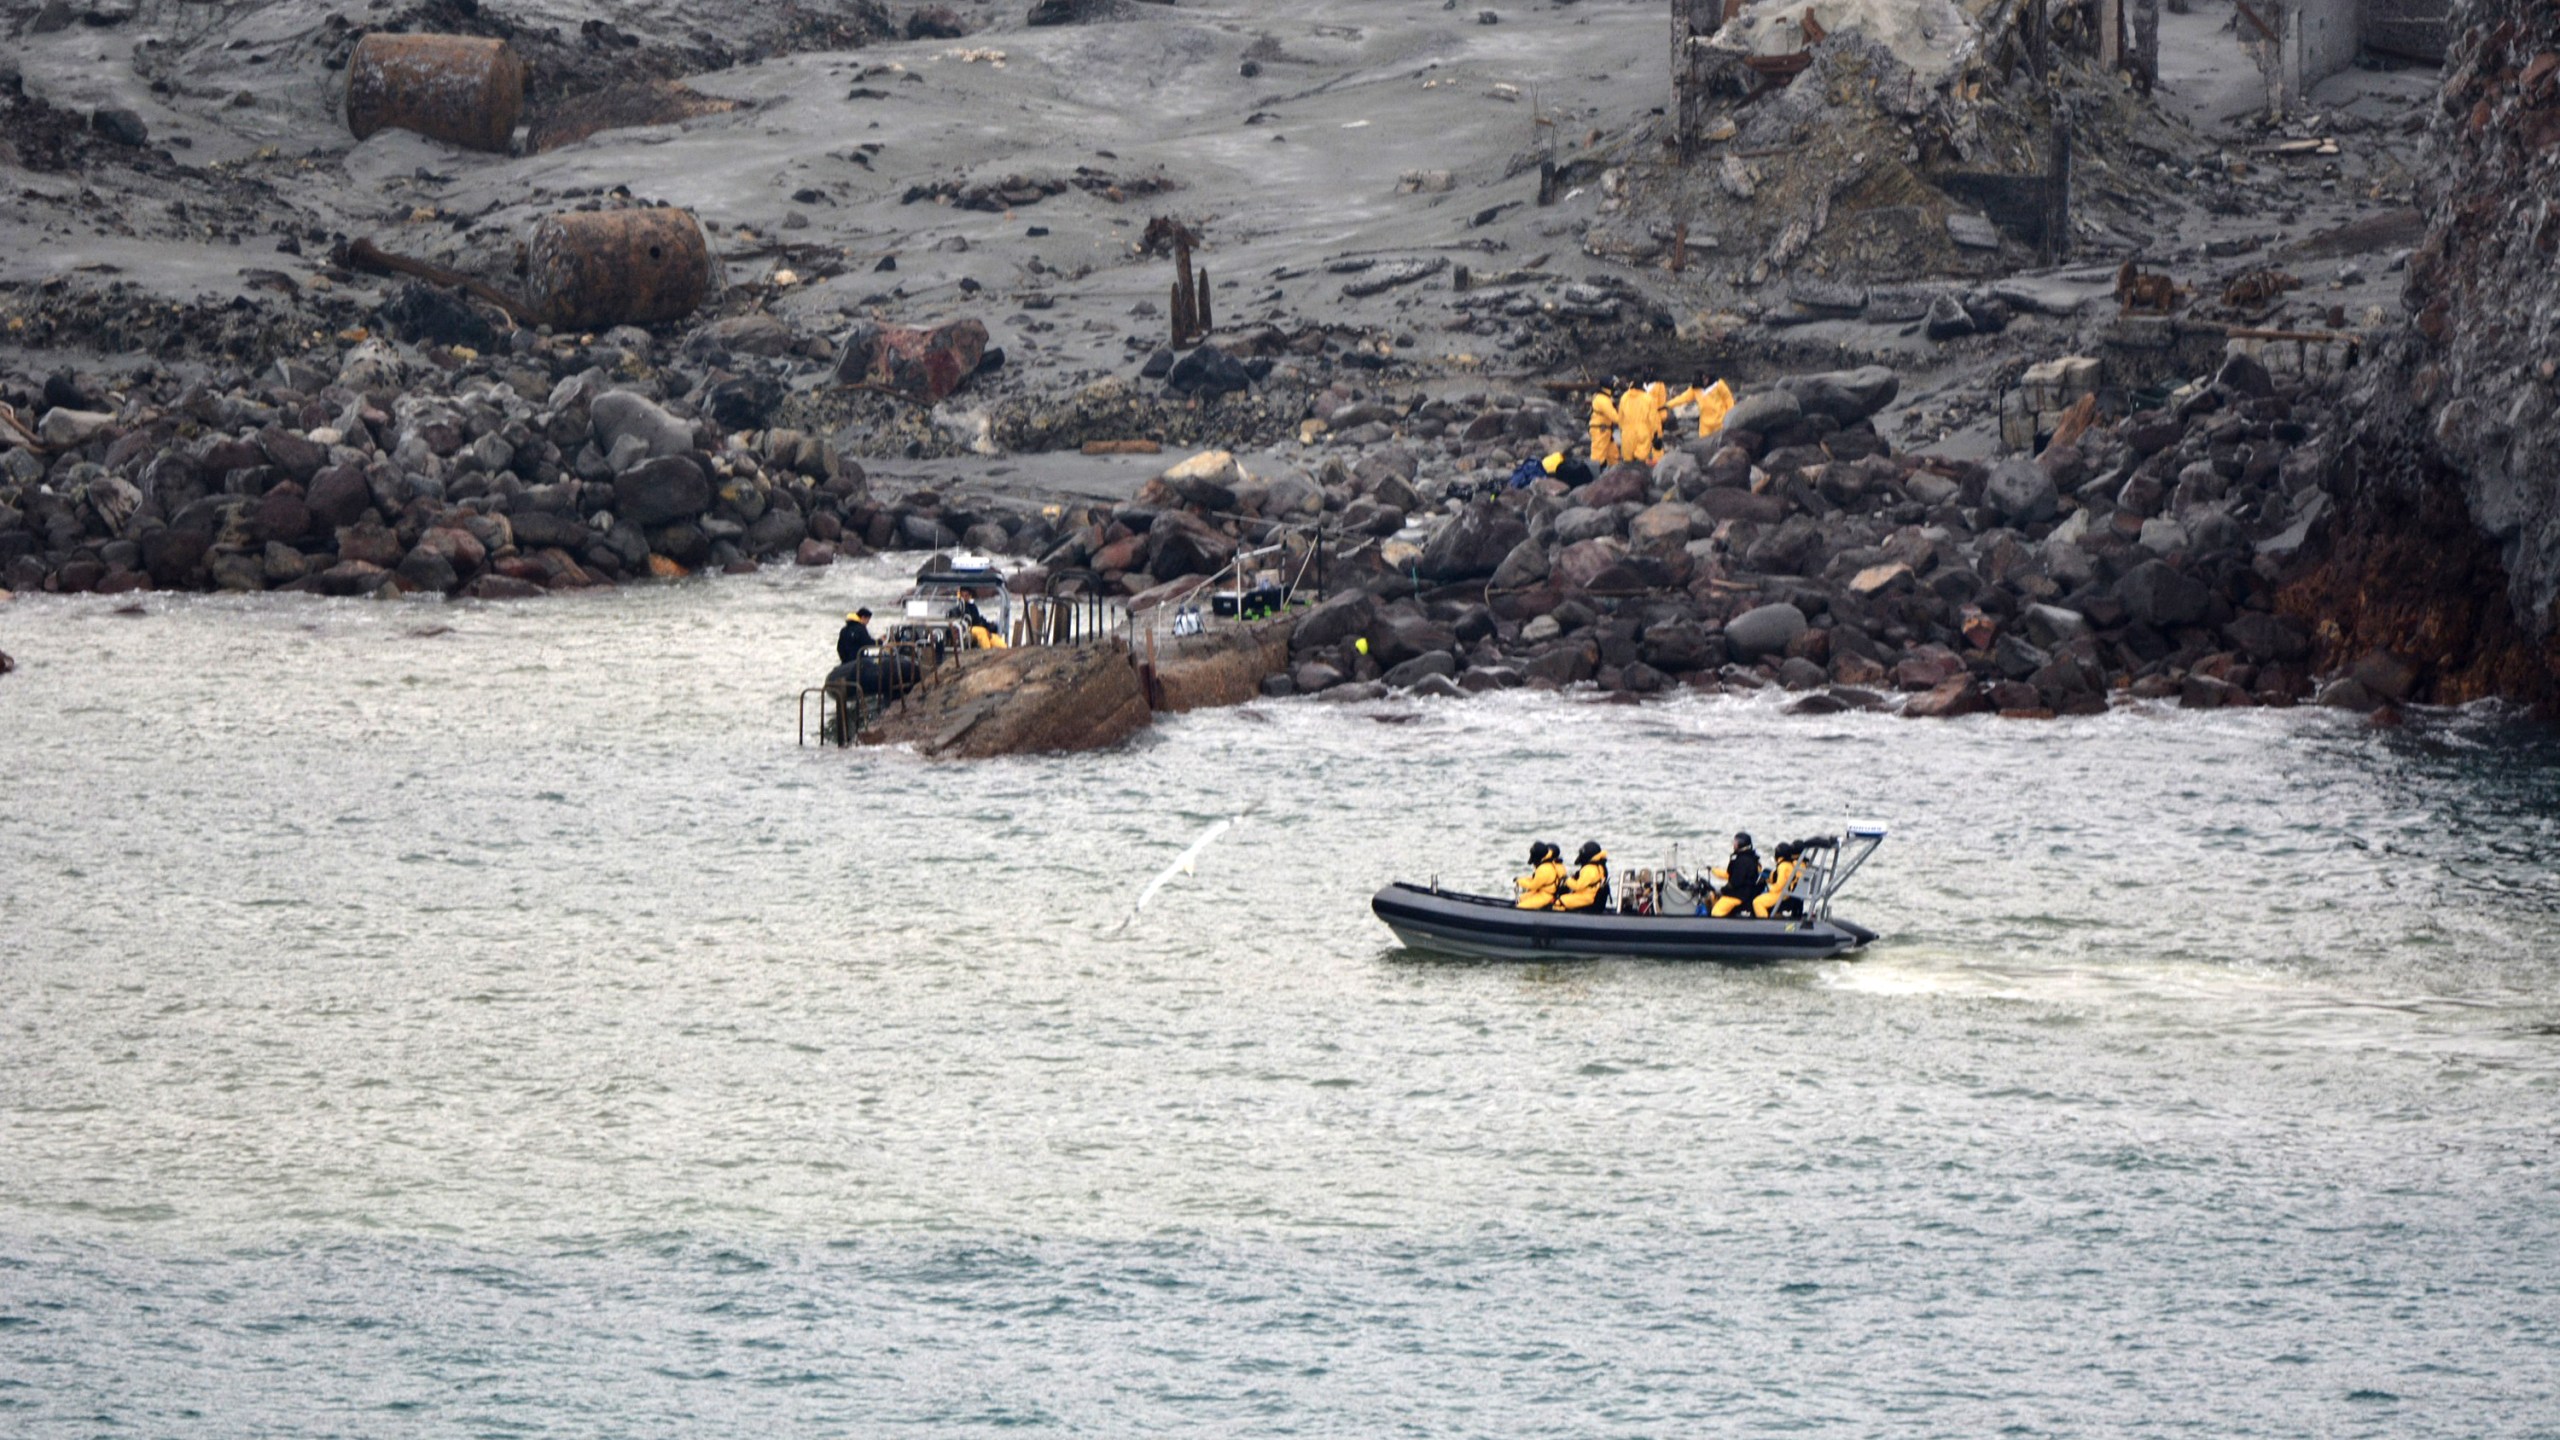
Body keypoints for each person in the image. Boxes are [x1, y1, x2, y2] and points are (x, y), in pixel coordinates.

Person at [1709, 832, 1762, 918]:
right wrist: (1713, 870)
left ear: (1741, 843)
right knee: (1713, 895)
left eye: (1736, 841)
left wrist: (1722, 891)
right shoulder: (1751, 858)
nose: (1734, 844)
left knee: (1716, 912)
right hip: (1745, 891)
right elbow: (1731, 875)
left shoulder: (1742, 861)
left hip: (1740, 894)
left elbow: (1735, 882)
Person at [1666, 377, 1736, 439]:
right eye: (1703, 379)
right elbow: (1683, 398)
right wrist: (1667, 405)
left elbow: (1728, 398)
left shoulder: (1718, 384)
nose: (1705, 380)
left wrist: (1730, 414)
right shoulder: (1696, 388)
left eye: (1706, 378)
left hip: (1720, 421)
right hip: (1705, 425)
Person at [1615, 381, 1666, 464]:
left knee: (1628, 461)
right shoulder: (1648, 398)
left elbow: (1620, 417)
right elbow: (1653, 419)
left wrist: (1622, 430)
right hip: (1643, 431)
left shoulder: (1624, 397)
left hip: (1627, 433)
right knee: (1641, 460)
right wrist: (1657, 434)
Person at [1557, 840, 1611, 911]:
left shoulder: (1589, 869)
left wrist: (1567, 880)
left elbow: (1577, 886)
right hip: (1592, 895)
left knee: (1559, 902)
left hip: (1587, 898)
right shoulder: (1600, 866)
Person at [1754, 842, 1802, 919]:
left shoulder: (1783, 866)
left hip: (1781, 894)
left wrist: (1769, 889)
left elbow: (1780, 884)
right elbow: (1776, 877)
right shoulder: (1788, 864)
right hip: (1786, 893)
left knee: (1757, 902)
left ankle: (1764, 923)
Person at [1514, 840, 1565, 910]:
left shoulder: (1544, 869)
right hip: (1544, 890)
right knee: (1521, 899)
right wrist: (1522, 879)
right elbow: (1537, 879)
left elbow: (1533, 885)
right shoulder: (1556, 864)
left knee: (1521, 906)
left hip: (1547, 895)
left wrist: (1519, 881)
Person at [1587, 388, 1622, 466]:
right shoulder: (1603, 401)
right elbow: (1615, 417)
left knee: (1613, 454)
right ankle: (1595, 475)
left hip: (1606, 430)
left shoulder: (1605, 398)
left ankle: (1614, 473)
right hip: (1600, 430)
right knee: (1598, 456)